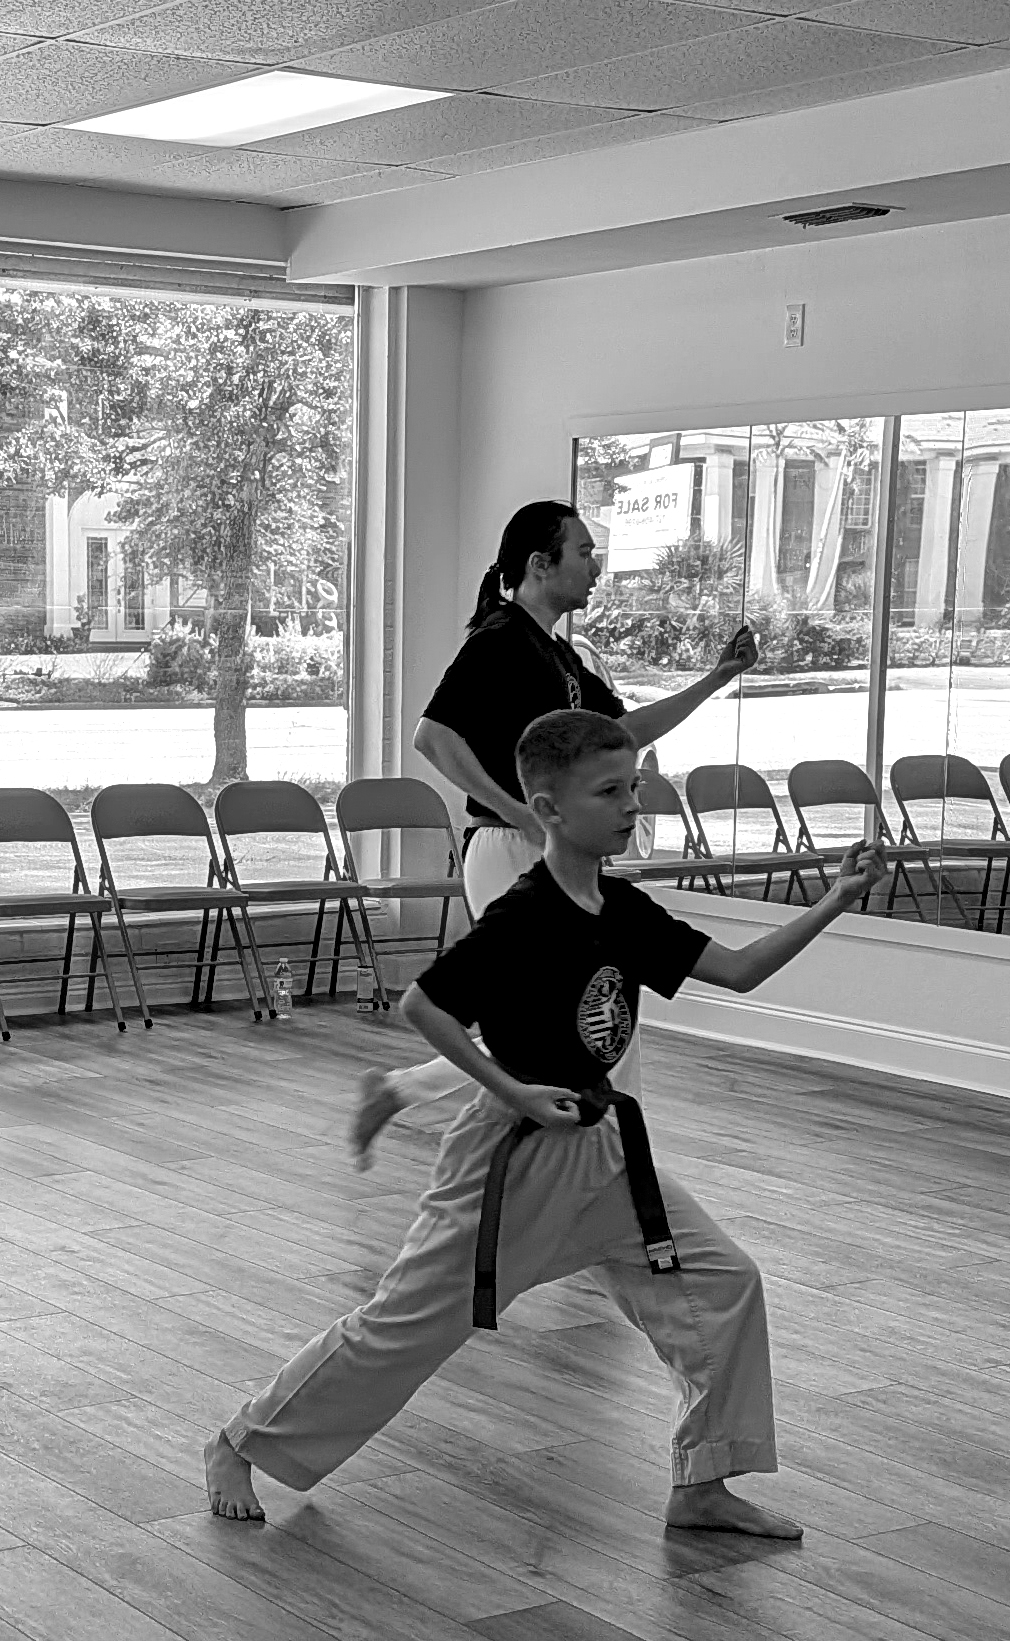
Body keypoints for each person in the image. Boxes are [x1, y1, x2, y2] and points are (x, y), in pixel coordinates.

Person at [208, 707, 879, 1536]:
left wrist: (835, 903)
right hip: (510, 1157)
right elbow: (426, 1006)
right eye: (610, 792)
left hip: (602, 1151)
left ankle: (703, 1483)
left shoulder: (623, 910)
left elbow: (738, 972)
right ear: (550, 809)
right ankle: (242, 1440)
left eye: (634, 787)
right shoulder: (525, 915)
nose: (632, 806)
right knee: (406, 1327)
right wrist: (514, 1091)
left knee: (724, 1283)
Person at [348, 499, 755, 1163]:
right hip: (510, 848)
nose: (597, 566)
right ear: (541, 564)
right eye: (585, 552)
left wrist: (717, 678)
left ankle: (403, 1093)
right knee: (585, 1013)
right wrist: (515, 811)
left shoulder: (558, 655)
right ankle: (607, 1164)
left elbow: (619, 735)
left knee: (567, 1019)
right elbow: (433, 736)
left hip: (538, 845)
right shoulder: (502, 639)